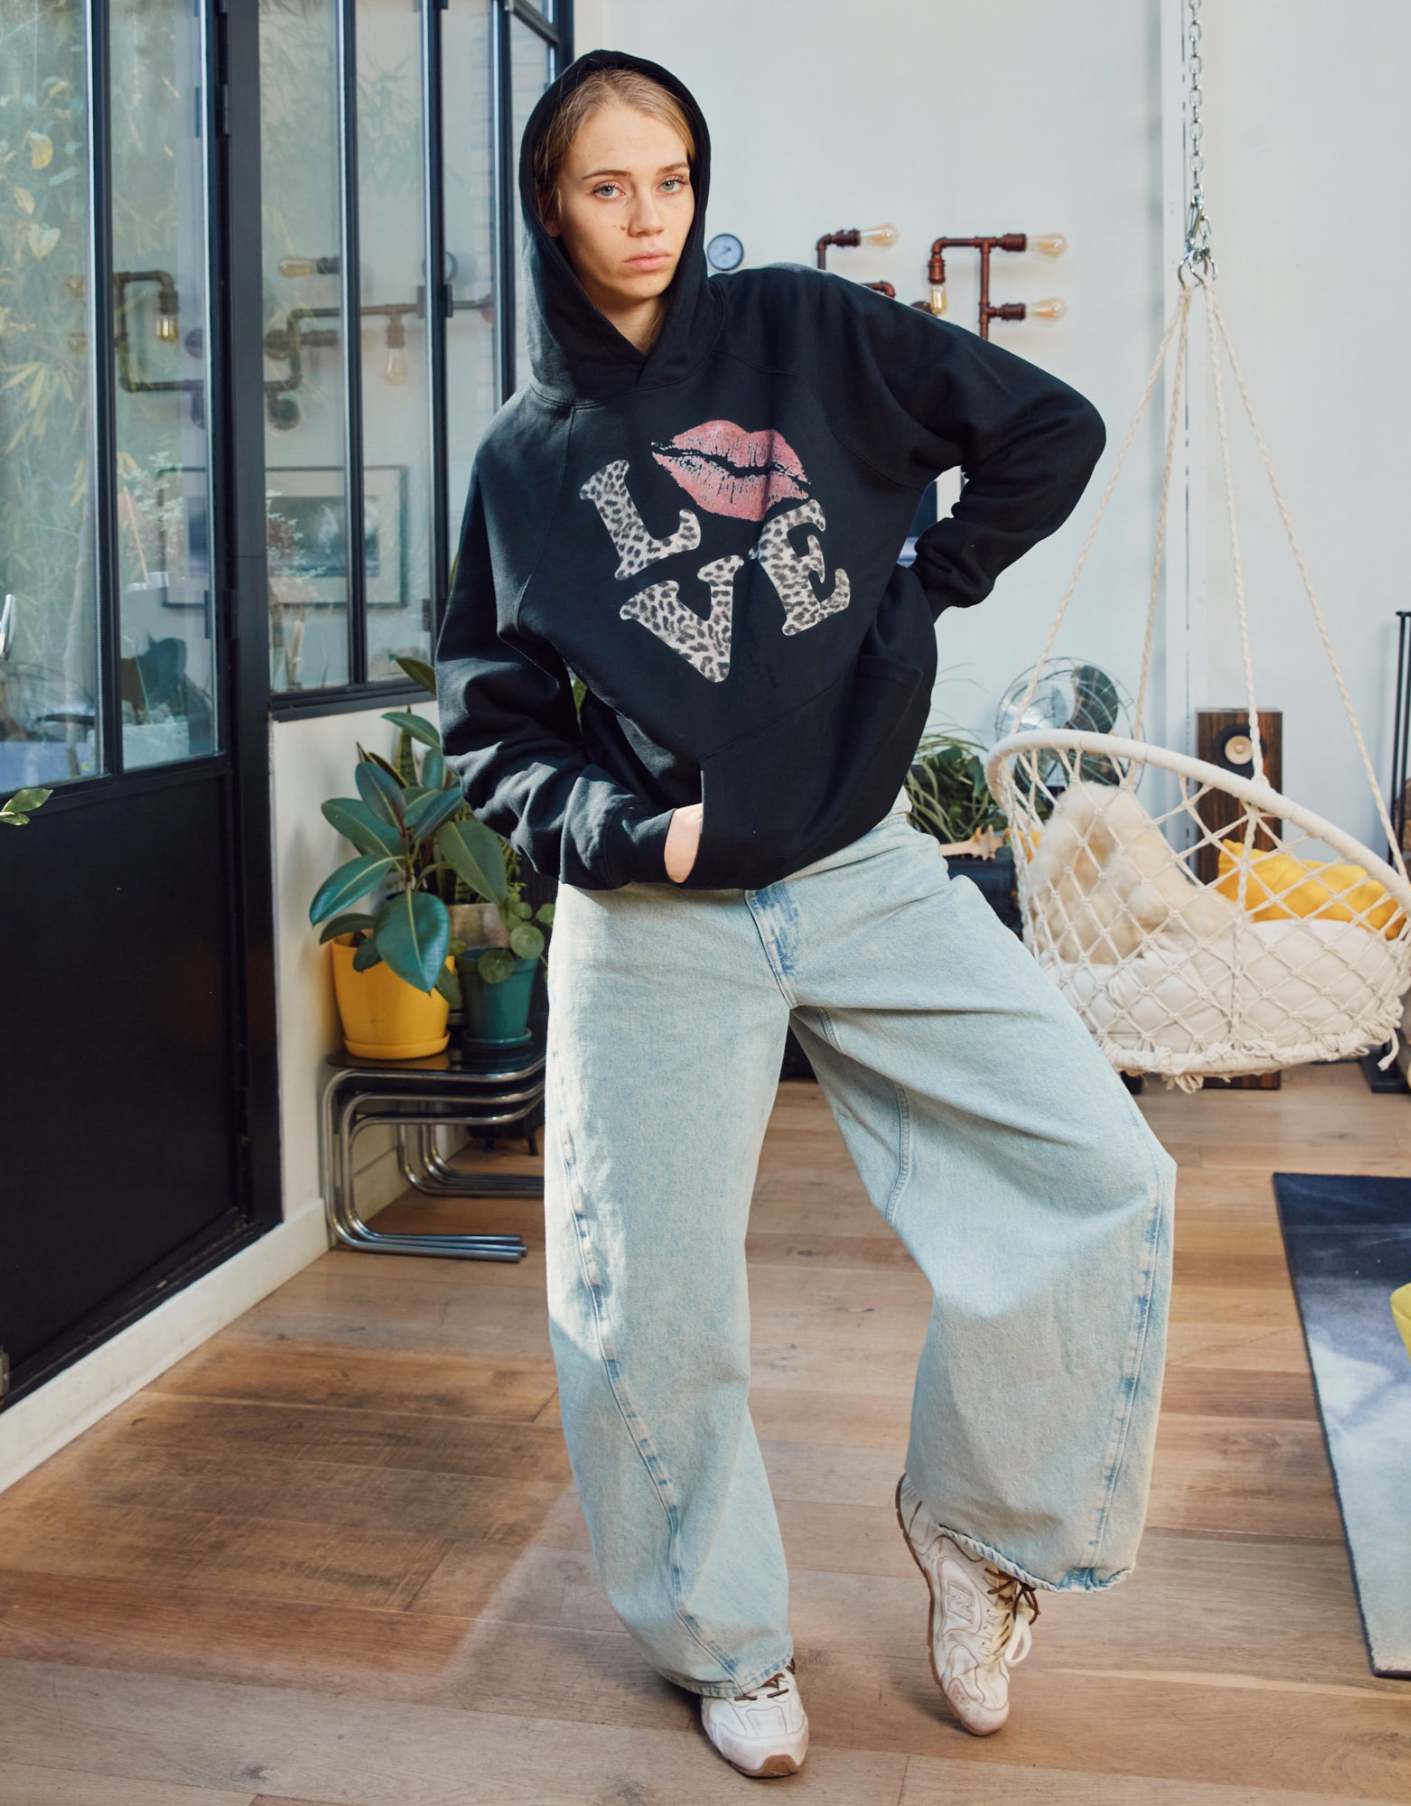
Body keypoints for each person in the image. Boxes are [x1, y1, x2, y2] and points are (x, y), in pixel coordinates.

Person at [436, 45, 1178, 1782]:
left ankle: (980, 1529)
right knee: (647, 1299)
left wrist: (922, 591)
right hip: (659, 914)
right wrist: (637, 833)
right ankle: (724, 1639)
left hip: (860, 865)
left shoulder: (801, 329)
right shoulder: (523, 464)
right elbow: (491, 729)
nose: (647, 217)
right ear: (551, 209)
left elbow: (1046, 430)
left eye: (671, 178)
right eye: (607, 186)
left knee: (1101, 1173)